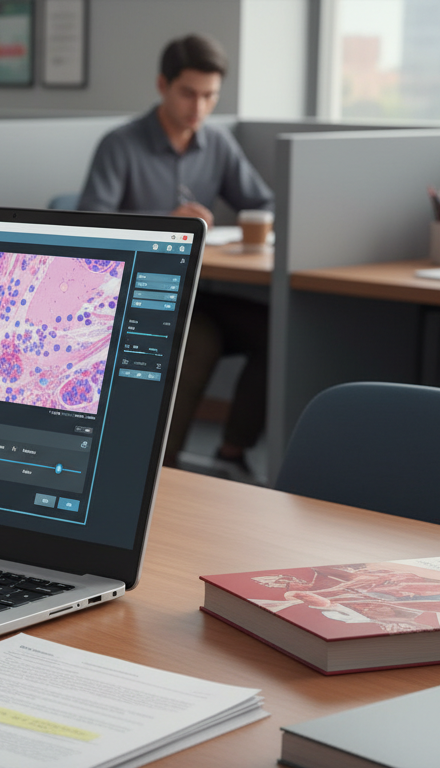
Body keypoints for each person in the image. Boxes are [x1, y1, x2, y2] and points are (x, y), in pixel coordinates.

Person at [77, 33, 272, 482]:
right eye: (189, 93)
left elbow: (263, 203)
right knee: (196, 339)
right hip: (132, 295)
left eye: (210, 96)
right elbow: (91, 223)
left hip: (194, 291)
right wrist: (168, 220)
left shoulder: (217, 144)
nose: (199, 107)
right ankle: (161, 473)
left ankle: (231, 450)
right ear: (162, 85)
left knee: (271, 330)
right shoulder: (121, 144)